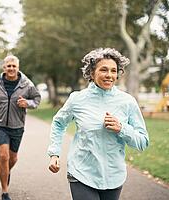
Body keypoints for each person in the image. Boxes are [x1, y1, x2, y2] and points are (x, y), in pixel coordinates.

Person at [47, 48, 149, 200]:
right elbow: (58, 123)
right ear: (92, 73)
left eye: (114, 71)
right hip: (81, 172)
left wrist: (122, 128)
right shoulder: (77, 99)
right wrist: (54, 153)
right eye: (104, 70)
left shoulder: (127, 102)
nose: (109, 75)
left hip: (114, 176)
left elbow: (143, 142)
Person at [0, 55, 41, 200]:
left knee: (13, 158)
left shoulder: (27, 84)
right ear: (4, 67)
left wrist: (27, 104)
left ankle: (5, 172)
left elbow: (37, 99)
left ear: (18, 67)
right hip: (0, 124)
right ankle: (5, 191)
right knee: (3, 157)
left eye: (14, 66)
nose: (11, 68)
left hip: (17, 125)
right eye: (8, 66)